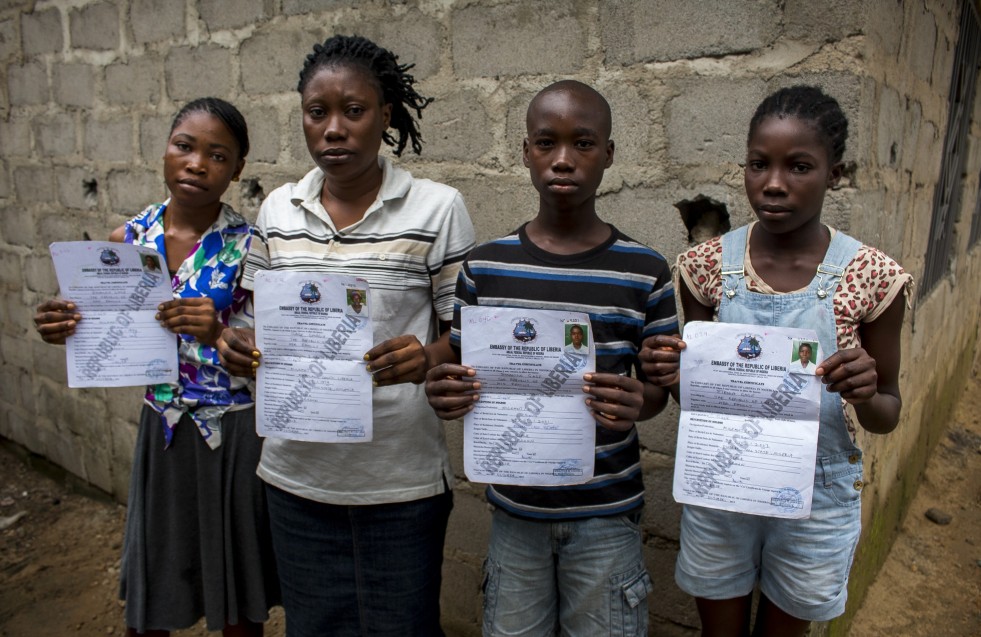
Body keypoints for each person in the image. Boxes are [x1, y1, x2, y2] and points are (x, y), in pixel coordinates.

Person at [216, 35, 475, 637]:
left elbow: (465, 333)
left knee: (402, 625)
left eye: (354, 111)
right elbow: (251, 322)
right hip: (295, 476)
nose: (334, 129)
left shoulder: (436, 209)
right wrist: (237, 346)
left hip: (398, 479)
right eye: (317, 112)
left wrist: (426, 356)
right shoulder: (279, 210)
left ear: (386, 116)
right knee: (313, 625)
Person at [640, 85, 913, 637]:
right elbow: (698, 399)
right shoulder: (706, 268)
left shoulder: (873, 277)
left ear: (836, 172)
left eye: (800, 166)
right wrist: (672, 375)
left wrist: (866, 389)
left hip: (815, 497)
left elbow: (888, 412)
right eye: (758, 164)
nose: (773, 183)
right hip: (722, 485)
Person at [425, 80, 678, 637]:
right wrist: (444, 393)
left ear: (609, 154)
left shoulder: (645, 271)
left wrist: (642, 400)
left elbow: (657, 389)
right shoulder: (486, 268)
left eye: (583, 143)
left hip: (606, 513)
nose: (563, 159)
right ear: (525, 152)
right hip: (516, 512)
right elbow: (463, 373)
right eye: (546, 142)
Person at [33, 98, 279, 636]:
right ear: (165, 151)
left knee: (236, 595)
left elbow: (265, 351)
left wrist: (218, 333)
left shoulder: (248, 248)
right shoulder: (127, 242)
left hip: (231, 431)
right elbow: (99, 329)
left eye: (217, 155)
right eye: (184, 147)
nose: (196, 164)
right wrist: (65, 325)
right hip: (162, 426)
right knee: (154, 584)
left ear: (236, 171)